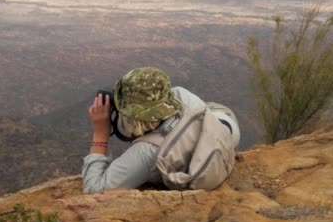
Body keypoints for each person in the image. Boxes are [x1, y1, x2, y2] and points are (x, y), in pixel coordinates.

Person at [82, 67, 240, 194]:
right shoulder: (181, 95)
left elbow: (93, 188)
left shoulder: (148, 151)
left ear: (133, 116)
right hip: (221, 129)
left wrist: (100, 132)